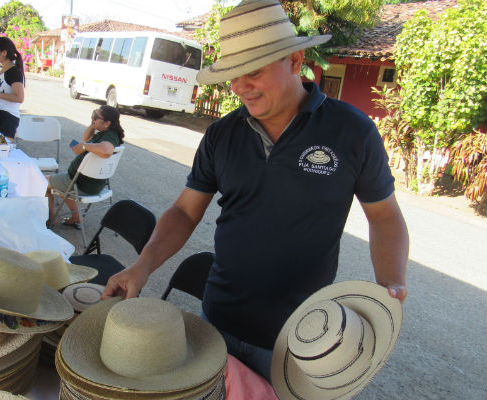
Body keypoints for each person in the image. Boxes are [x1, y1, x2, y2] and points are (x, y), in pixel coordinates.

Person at [102, 0, 409, 382]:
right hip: (218, 321)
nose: (240, 87)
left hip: (302, 335)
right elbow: (184, 212)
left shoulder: (352, 132)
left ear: (295, 60)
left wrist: (390, 285)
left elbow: (385, 216)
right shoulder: (222, 134)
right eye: (232, 75)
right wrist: (142, 266)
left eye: (254, 72)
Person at [46, 105, 124, 228]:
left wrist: (84, 146)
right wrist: (93, 124)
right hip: (94, 184)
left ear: (107, 123)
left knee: (41, 182)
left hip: (79, 183)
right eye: (93, 114)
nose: (93, 118)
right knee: (62, 188)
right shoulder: (106, 133)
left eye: (96, 117)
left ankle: (49, 219)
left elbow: (106, 150)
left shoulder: (109, 137)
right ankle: (76, 217)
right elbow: (86, 138)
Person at [0, 37, 25, 139]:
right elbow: (3, 91)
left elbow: (19, 98)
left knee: (2, 151)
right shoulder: (4, 70)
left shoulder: (13, 71)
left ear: (4, 53)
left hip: (7, 118)